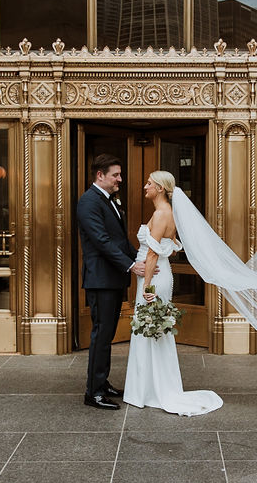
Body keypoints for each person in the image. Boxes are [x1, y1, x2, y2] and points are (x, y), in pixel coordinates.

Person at [123, 171, 223, 416]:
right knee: (155, 331)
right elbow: (173, 246)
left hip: (154, 277)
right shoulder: (170, 212)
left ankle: (150, 390)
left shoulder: (160, 214)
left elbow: (152, 254)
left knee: (149, 329)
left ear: (159, 188)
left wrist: (146, 286)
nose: (144, 186)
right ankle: (151, 387)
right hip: (160, 275)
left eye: (148, 183)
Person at [76, 154, 148, 410]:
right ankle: (93, 392)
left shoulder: (110, 201)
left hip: (113, 279)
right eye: (116, 175)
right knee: (101, 335)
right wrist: (131, 265)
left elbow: (118, 239)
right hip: (101, 280)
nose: (120, 179)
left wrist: (141, 258)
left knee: (106, 335)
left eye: (120, 174)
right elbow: (101, 240)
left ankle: (102, 382)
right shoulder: (88, 202)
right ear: (100, 175)